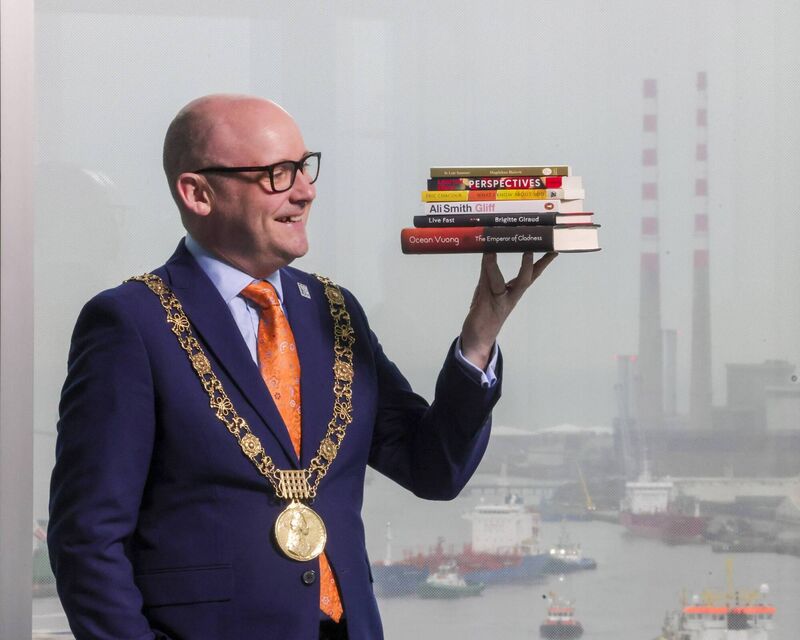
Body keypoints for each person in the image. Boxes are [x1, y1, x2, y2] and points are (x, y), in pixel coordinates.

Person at [48, 94, 556, 640]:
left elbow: (434, 470)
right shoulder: (130, 322)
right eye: (277, 174)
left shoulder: (337, 312)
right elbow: (88, 538)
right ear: (198, 193)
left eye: (304, 167)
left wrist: (480, 337)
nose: (305, 190)